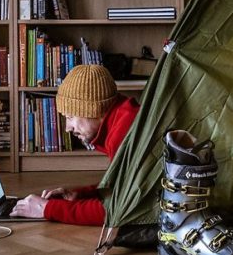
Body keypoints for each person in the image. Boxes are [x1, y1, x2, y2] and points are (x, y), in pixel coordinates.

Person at [10, 64, 140, 225]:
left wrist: (47, 208)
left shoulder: (124, 134)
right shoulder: (125, 118)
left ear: (93, 110)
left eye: (70, 117)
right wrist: (81, 194)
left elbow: (116, 210)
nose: (67, 128)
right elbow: (122, 187)